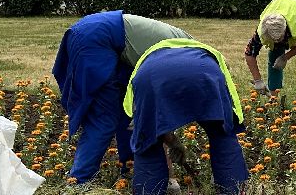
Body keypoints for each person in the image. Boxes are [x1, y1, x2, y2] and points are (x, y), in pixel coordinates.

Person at [52, 11, 193, 185]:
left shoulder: (188, 50)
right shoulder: (184, 61)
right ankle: (78, 183)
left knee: (127, 109)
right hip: (98, 38)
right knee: (104, 119)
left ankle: (129, 165)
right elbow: (155, 111)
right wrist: (172, 142)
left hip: (99, 33)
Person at [123, 36, 249, 195]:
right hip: (205, 74)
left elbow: (149, 123)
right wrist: (227, 129)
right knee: (223, 137)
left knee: (148, 143)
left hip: (151, 77)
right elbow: (230, 116)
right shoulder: (214, 58)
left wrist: (167, 140)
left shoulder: (145, 61)